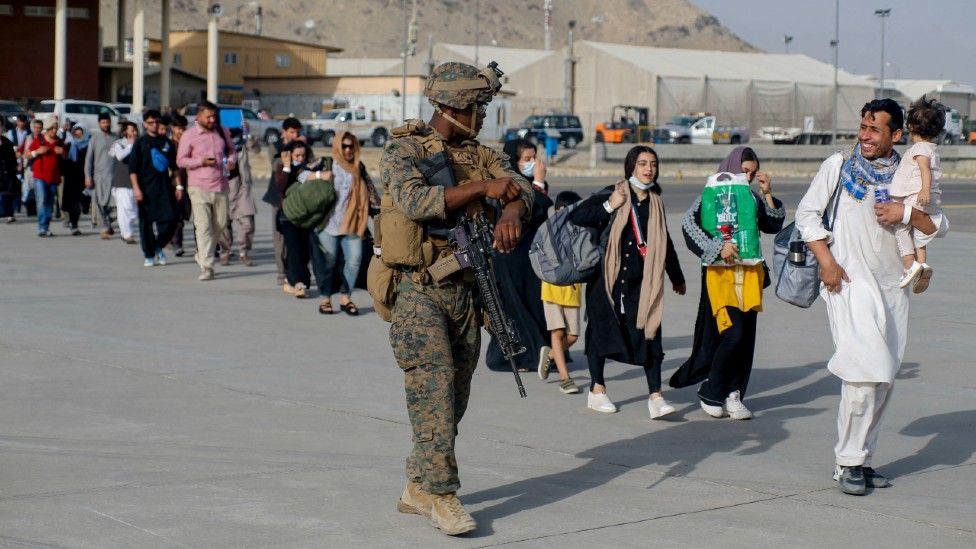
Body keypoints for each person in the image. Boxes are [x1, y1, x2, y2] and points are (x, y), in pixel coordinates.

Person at [384, 62, 532, 536]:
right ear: (456, 107)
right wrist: (484, 188)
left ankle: (417, 484)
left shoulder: (478, 154)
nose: (484, 117)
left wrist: (510, 208)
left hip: (467, 291)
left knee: (453, 397)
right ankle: (443, 496)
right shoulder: (402, 149)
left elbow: (520, 185)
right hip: (418, 288)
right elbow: (415, 201)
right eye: (479, 108)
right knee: (434, 382)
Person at [795, 99, 943, 496]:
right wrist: (826, 262)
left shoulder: (911, 171)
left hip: (894, 287)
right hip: (849, 281)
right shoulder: (838, 165)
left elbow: (936, 225)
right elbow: (807, 215)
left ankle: (863, 458)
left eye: (874, 129)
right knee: (863, 373)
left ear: (896, 134)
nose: (864, 135)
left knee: (885, 378)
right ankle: (847, 462)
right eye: (862, 126)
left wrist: (906, 214)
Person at [569, 145, 686, 418]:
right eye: (643, 163)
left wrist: (676, 276)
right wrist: (610, 205)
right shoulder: (616, 191)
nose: (648, 169)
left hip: (641, 283)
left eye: (653, 164)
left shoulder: (656, 201)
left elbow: (664, 242)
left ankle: (656, 397)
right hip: (607, 281)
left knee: (650, 333)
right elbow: (578, 216)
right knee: (600, 334)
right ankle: (597, 390)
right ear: (631, 166)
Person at [671, 146, 785, 419]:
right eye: (745, 171)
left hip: (749, 275)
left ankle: (734, 393)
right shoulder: (710, 196)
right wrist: (717, 247)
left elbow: (772, 225)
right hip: (719, 275)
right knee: (730, 334)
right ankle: (712, 389)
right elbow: (689, 227)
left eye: (753, 173)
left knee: (745, 337)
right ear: (731, 167)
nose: (748, 177)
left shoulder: (752, 198)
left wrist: (767, 194)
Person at [484, 137, 553, 374]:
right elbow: (534, 208)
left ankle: (539, 352)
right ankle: (518, 357)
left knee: (534, 304)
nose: (533, 163)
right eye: (527, 159)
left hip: (530, 257)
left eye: (534, 158)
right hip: (510, 256)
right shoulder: (508, 186)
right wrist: (539, 183)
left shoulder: (531, 184)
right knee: (514, 307)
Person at [312, 131, 378, 314]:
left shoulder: (359, 167)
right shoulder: (326, 163)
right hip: (328, 225)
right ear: (337, 146)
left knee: (354, 260)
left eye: (351, 146)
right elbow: (301, 175)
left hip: (353, 225)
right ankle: (325, 298)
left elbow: (371, 194)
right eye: (344, 146)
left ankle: (345, 298)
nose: (348, 150)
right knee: (329, 262)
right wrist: (319, 176)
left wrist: (382, 214)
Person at [892, 97, 948, 293]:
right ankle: (922, 265)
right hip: (929, 200)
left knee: (901, 227)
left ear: (910, 126)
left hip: (916, 197)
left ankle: (909, 265)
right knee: (918, 234)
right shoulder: (932, 148)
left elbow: (924, 170)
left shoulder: (919, 149)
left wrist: (923, 190)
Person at [176, 101, 236, 281]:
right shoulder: (189, 135)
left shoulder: (222, 131)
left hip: (221, 185)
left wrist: (232, 160)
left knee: (221, 224)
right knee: (203, 227)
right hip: (198, 186)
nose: (212, 120)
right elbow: (181, 160)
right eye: (208, 117)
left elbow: (232, 150)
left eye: (214, 117)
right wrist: (201, 162)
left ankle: (202, 253)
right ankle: (207, 266)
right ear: (199, 116)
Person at [539, 190, 583, 394]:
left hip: (572, 289)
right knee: (557, 332)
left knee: (572, 336)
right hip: (551, 288)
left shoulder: (580, 232)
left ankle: (550, 356)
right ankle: (565, 379)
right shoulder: (548, 231)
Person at [129, 109, 181, 267]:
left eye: (157, 122)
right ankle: (149, 254)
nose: (154, 125)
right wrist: (136, 189)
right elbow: (132, 170)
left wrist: (179, 186)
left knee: (171, 220)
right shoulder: (140, 143)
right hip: (145, 189)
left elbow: (175, 167)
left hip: (164, 187)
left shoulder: (166, 142)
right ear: (145, 124)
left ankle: (158, 245)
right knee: (146, 224)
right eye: (151, 122)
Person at [274, 140, 321, 298]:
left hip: (306, 217)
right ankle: (300, 283)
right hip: (287, 217)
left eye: (303, 155)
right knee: (294, 250)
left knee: (305, 251)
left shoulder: (310, 168)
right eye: (297, 155)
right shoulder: (282, 167)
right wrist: (287, 166)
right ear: (289, 155)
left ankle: (289, 279)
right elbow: (280, 187)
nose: (300, 158)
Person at [263, 117, 304, 285]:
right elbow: (275, 165)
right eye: (292, 132)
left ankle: (296, 270)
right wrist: (288, 152)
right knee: (279, 236)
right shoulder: (275, 147)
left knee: (297, 236)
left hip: (298, 196)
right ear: (284, 132)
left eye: (297, 132)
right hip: (278, 196)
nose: (295, 135)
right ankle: (282, 272)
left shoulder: (303, 147)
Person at [218, 127, 260, 267]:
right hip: (222, 185)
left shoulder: (241, 138)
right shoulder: (214, 138)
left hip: (242, 185)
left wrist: (248, 134)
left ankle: (244, 253)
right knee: (223, 223)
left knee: (248, 223)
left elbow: (256, 150)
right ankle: (225, 252)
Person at [28, 116, 66, 237]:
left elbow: (66, 157)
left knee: (49, 203)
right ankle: (42, 227)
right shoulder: (39, 140)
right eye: (52, 128)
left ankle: (46, 226)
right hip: (40, 176)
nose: (54, 131)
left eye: (56, 128)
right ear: (47, 129)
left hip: (54, 177)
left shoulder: (59, 141)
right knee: (42, 201)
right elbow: (27, 154)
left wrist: (63, 152)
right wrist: (37, 152)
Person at [85, 113, 118, 239]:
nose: (106, 124)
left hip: (114, 177)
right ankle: (103, 229)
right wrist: (88, 176)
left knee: (114, 205)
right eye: (103, 122)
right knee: (99, 204)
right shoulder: (94, 139)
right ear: (99, 124)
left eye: (107, 122)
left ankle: (108, 223)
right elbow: (88, 160)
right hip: (98, 177)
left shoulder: (116, 138)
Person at [111, 122, 140, 244]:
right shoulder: (119, 143)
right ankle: (126, 234)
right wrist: (130, 146)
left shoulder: (139, 144)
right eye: (131, 130)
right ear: (125, 132)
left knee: (134, 212)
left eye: (135, 130)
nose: (134, 133)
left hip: (135, 182)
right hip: (121, 182)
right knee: (125, 209)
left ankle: (126, 232)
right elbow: (120, 156)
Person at [168, 114, 192, 255]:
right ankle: (177, 244)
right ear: (172, 128)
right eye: (178, 128)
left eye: (183, 128)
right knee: (177, 216)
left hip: (189, 183)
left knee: (184, 214)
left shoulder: (189, 144)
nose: (181, 131)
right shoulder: (168, 145)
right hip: (172, 184)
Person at [61, 124, 89, 235]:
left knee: (82, 201)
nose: (77, 135)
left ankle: (74, 221)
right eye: (75, 133)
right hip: (70, 178)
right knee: (73, 203)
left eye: (80, 133)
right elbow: (63, 162)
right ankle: (74, 224)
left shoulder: (88, 146)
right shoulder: (68, 145)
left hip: (83, 177)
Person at [0, 131, 19, 222]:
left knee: (8, 193)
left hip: (7, 171)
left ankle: (10, 214)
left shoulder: (7, 142)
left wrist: (15, 168)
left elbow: (12, 158)